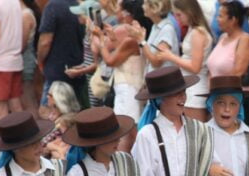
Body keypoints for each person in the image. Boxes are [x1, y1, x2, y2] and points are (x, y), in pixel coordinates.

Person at [154, 0, 212, 121]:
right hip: (190, 86)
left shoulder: (198, 33)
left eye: (179, 14)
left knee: (195, 132)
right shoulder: (193, 30)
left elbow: (195, 67)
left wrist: (170, 56)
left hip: (195, 89)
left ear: (189, 12)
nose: (177, 18)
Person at [96, 23, 144, 151]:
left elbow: (110, 61)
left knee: (127, 128)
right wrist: (112, 39)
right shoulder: (127, 43)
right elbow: (117, 52)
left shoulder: (130, 41)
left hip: (129, 89)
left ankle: (131, 158)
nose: (113, 40)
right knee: (127, 129)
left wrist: (101, 42)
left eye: (116, 36)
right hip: (125, 90)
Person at [206, 1, 249, 122]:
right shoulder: (222, 37)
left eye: (221, 16)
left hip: (236, 98)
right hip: (217, 96)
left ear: (233, 19)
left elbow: (239, 71)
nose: (217, 19)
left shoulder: (244, 39)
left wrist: (220, 92)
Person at [37, 0, 87, 107]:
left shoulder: (52, 6)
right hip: (78, 66)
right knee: (74, 109)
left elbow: (45, 41)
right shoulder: (77, 4)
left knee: (49, 111)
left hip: (57, 70)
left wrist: (40, 60)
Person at [137, 0, 180, 75]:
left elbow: (156, 62)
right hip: (154, 80)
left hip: (164, 81)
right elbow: (148, 56)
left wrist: (142, 41)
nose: (142, 6)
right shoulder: (155, 26)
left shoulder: (167, 29)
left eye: (145, 3)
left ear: (155, 7)